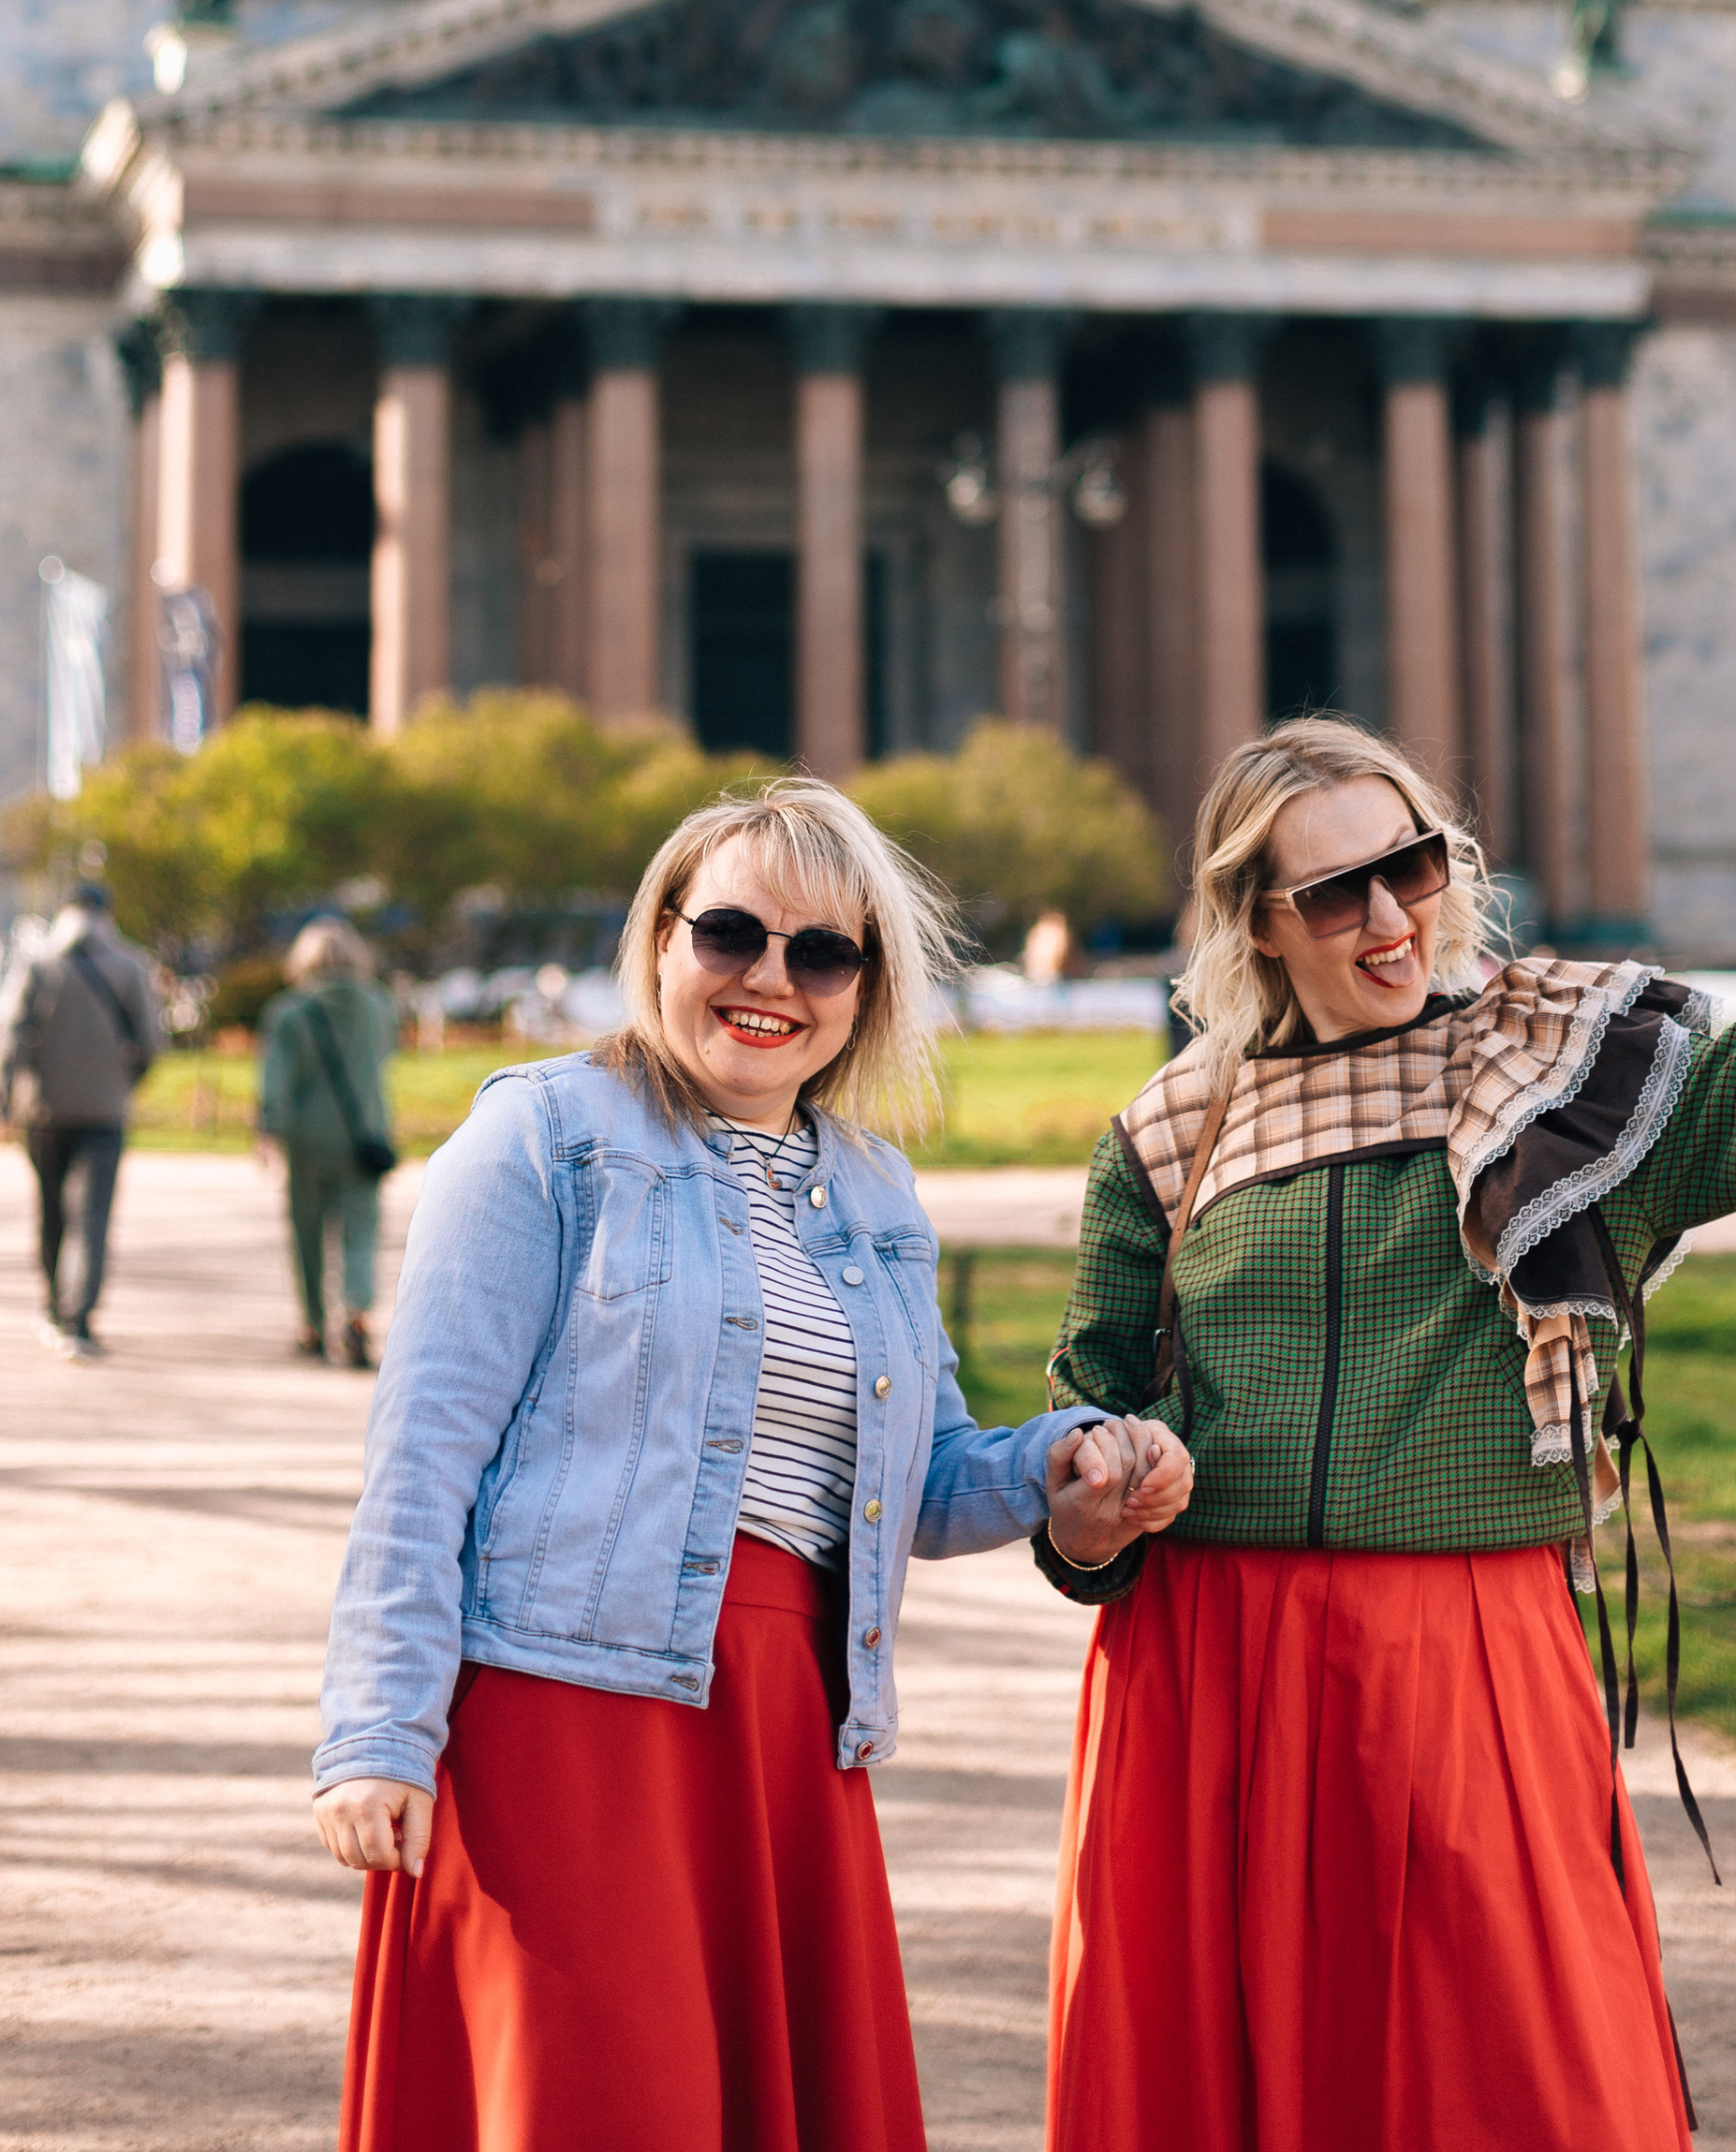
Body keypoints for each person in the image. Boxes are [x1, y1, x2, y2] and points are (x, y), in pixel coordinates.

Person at [1039, 596, 1736, 2152]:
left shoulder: (1558, 1071)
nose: (1390, 920)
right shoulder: (1170, 1133)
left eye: (1414, 868)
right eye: (1336, 893)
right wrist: (1099, 1506)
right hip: (1202, 1675)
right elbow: (1093, 1415)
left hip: (1463, 1652)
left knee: (1510, 2083)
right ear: (1256, 920)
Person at [313, 776, 1195, 2152]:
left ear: (864, 986)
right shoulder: (542, 1136)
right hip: (566, 1713)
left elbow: (926, 1477)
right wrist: (378, 1737)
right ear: (662, 938)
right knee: (599, 2104)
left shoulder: (876, 1192)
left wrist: (1066, 1465)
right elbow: (423, 1456)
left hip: (788, 1723)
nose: (770, 980)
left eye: (821, 952)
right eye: (730, 934)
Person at [0, 885, 163, 1360]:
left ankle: (51, 1304)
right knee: (93, 1218)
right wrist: (124, 1082)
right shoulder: (128, 967)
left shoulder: (39, 966)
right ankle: (79, 1318)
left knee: (51, 1211)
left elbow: (10, 1037)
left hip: (43, 1112)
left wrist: (1, 1098)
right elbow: (151, 1041)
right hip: (105, 1112)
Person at [257, 917, 398, 1368]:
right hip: (364, 1136)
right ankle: (357, 1314)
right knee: (360, 1229)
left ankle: (313, 1324)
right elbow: (384, 1059)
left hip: (307, 1138)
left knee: (307, 1231)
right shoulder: (378, 1006)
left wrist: (268, 1127)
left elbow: (276, 1080)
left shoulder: (289, 1013)